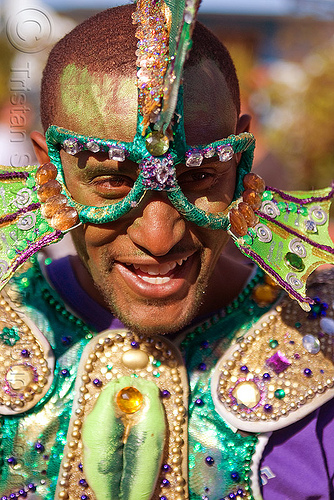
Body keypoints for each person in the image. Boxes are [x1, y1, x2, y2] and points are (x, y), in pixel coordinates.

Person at [0, 4, 333, 500]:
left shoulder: (321, 358)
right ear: (51, 173)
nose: (159, 238)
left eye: (199, 176)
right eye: (112, 180)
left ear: (240, 163)